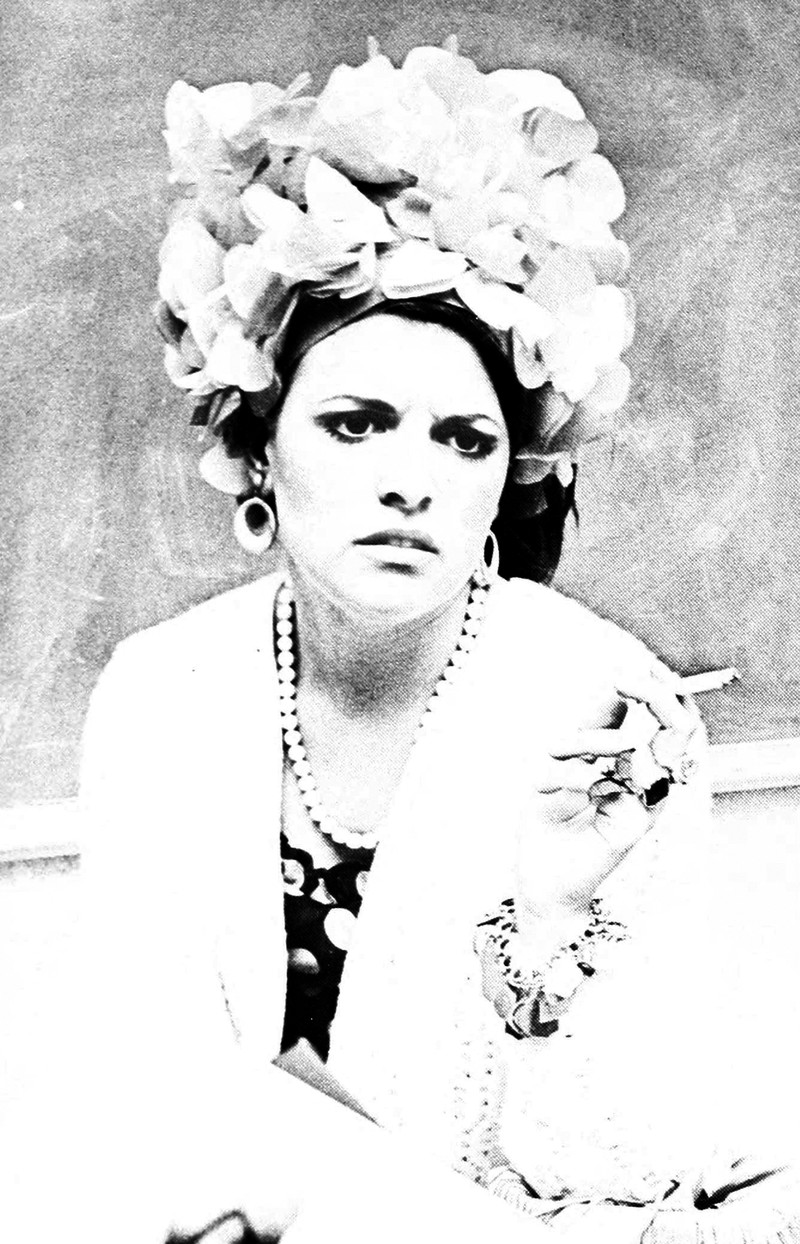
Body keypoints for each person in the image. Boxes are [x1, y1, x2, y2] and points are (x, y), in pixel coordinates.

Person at [74, 39, 798, 1244]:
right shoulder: (160, 693)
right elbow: (153, 1103)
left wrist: (550, 922)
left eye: (462, 439)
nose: (410, 479)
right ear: (258, 453)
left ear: (507, 478)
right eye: (355, 424)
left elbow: (629, 1171)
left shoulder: (610, 709)